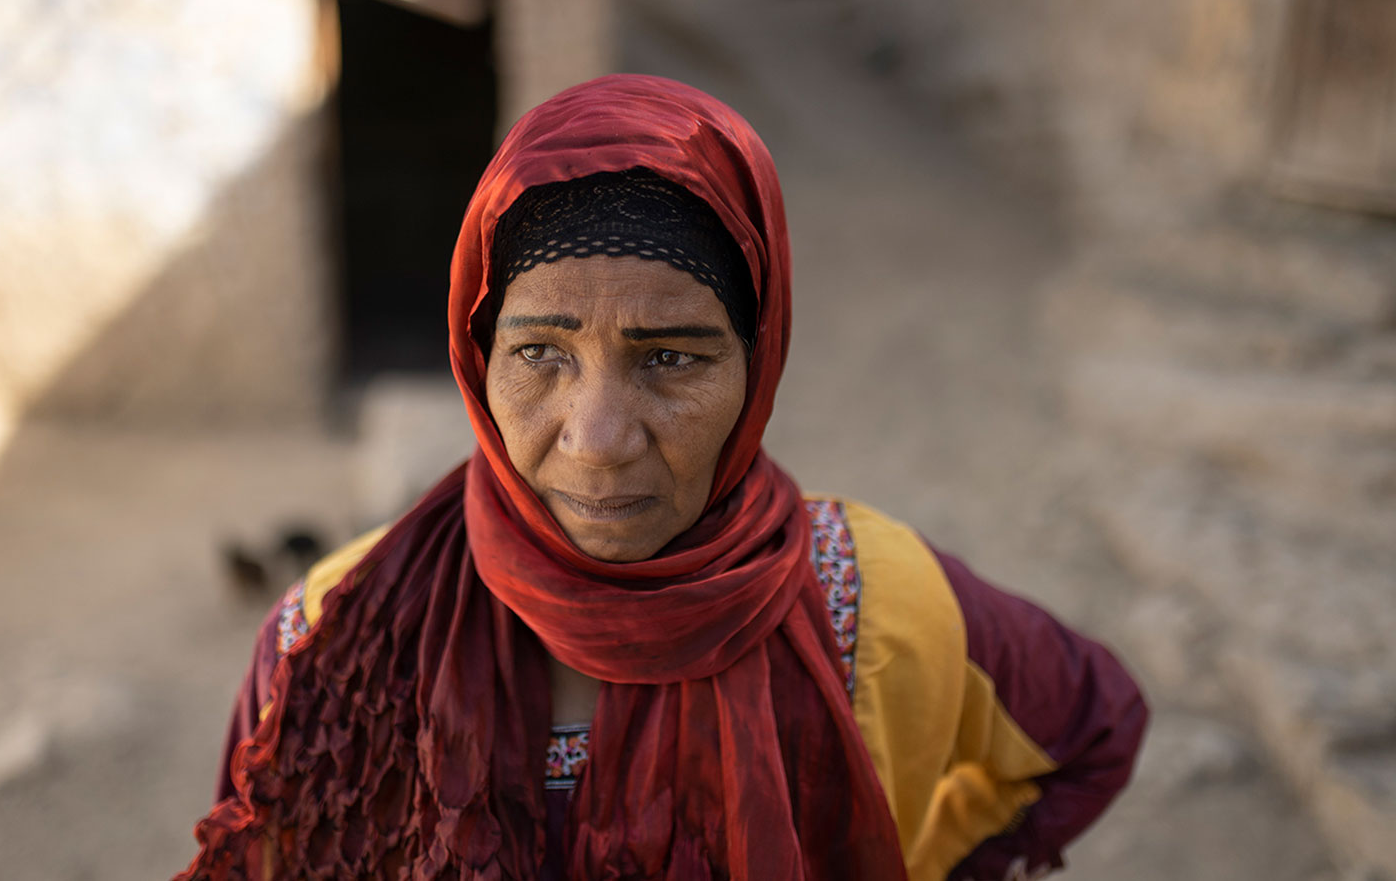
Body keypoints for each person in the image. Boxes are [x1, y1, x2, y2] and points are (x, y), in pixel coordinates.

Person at [176, 75, 1147, 881]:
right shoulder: (328, 637)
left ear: (756, 364)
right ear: (478, 360)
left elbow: (1092, 722)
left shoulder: (875, 599)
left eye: (671, 357)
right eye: (540, 353)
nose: (598, 439)